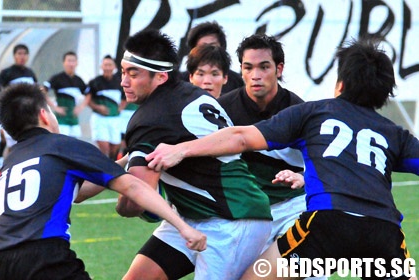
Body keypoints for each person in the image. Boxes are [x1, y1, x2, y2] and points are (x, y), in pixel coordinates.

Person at [146, 38, 417, 279]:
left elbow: (240, 138)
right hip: (384, 232)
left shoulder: (314, 112)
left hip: (328, 225)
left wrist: (181, 149)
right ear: (385, 92)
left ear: (341, 84)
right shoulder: (395, 134)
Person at [0, 83, 206, 279]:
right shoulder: (62, 145)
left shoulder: (10, 161)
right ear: (44, 115)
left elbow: (77, 193)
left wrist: (125, 160)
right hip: (44, 257)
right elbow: (132, 186)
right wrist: (182, 226)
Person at [117, 29, 272, 280]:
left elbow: (135, 200)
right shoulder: (188, 95)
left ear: (160, 76)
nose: (123, 81)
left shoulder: (151, 117)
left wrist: (123, 203)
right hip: (193, 214)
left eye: (133, 74)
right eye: (123, 72)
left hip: (231, 219)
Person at [218, 33, 310, 253]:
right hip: (244, 211)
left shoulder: (300, 112)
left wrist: (302, 177)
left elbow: (324, 162)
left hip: (292, 207)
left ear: (279, 69)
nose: (255, 75)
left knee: (308, 270)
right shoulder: (222, 110)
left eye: (264, 67)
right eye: (248, 68)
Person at [181, 21, 243, 94]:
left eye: (213, 46)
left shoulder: (236, 81)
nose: (208, 51)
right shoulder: (180, 81)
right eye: (202, 47)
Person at [0, 44, 38, 159]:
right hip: (10, 114)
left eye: (25, 54)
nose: (22, 56)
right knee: (10, 144)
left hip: (27, 115)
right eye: (19, 53)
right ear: (14, 55)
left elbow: (36, 92)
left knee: (23, 144)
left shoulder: (30, 73)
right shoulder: (7, 73)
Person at [43, 51, 90, 138]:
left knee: (74, 145)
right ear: (64, 63)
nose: (71, 64)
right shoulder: (57, 78)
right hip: (61, 119)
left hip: (73, 119)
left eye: (73, 61)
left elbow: (88, 94)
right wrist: (54, 107)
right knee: (62, 142)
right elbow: (43, 91)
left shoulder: (79, 80)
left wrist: (81, 107)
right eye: (69, 61)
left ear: (77, 63)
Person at [86, 55, 124, 160]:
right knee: (104, 146)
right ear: (101, 67)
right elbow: (87, 100)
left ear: (114, 67)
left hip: (115, 118)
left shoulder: (120, 81)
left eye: (110, 65)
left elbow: (125, 98)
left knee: (115, 146)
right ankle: (103, 166)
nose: (107, 67)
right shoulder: (95, 82)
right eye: (105, 65)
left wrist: (120, 108)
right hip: (99, 119)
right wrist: (98, 107)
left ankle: (113, 167)